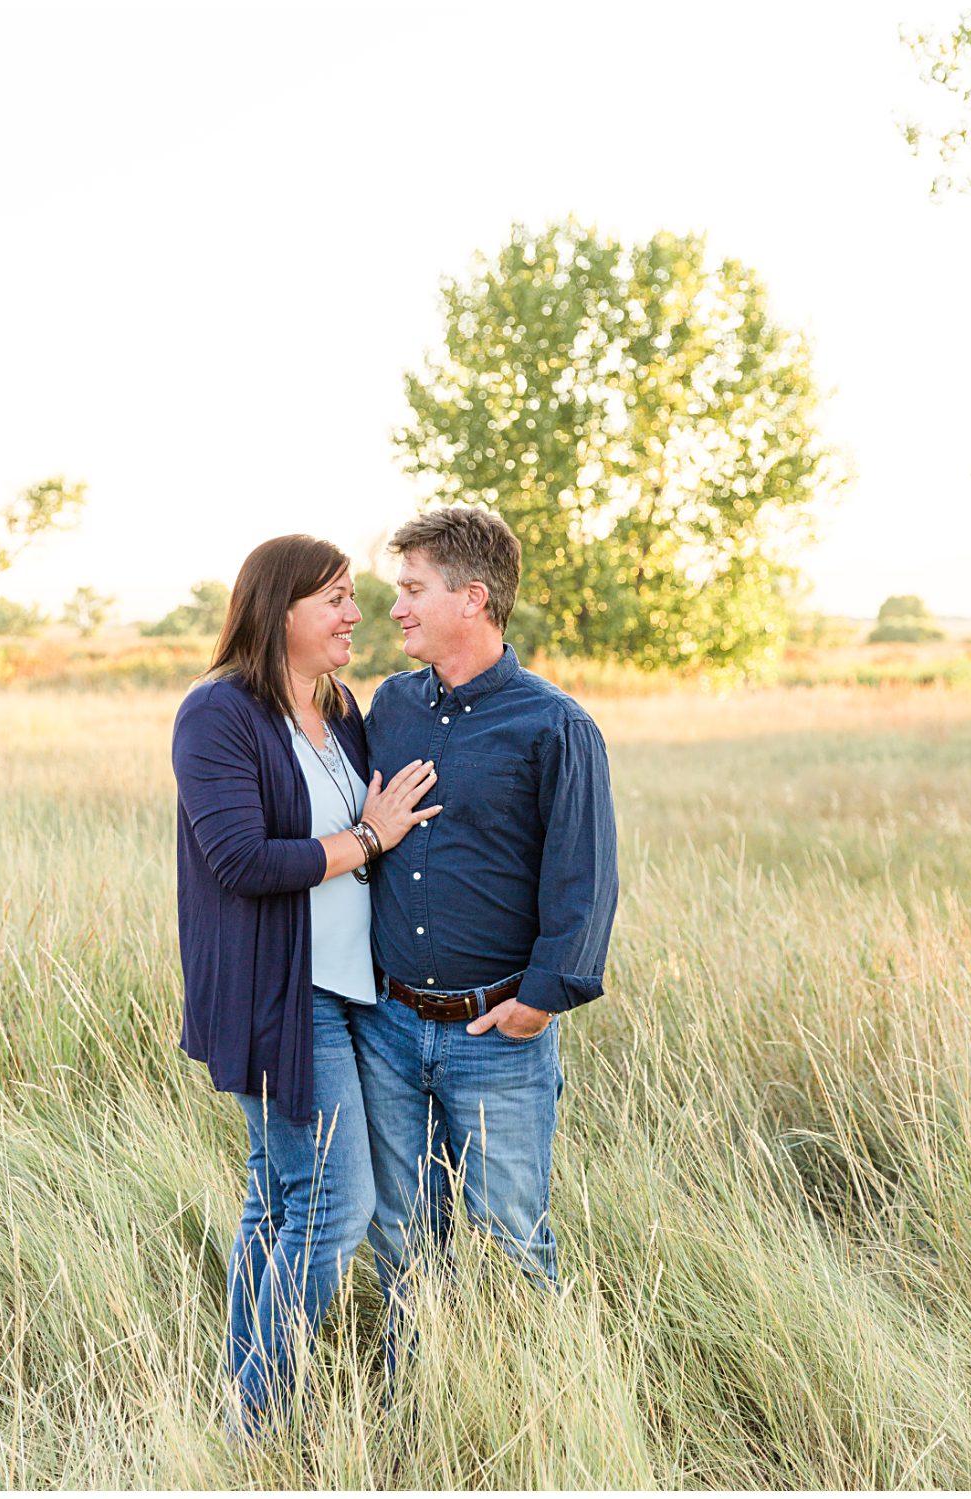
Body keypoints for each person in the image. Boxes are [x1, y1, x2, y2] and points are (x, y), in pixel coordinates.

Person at [172, 535, 440, 1434]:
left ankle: (239, 1395)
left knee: (278, 1194)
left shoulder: (339, 706)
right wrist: (368, 840)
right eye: (334, 597)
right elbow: (241, 858)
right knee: (334, 1206)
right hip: (281, 994)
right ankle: (257, 1412)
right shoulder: (220, 714)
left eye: (355, 596)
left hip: (349, 989)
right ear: (277, 608)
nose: (356, 615)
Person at [353, 507, 619, 1334]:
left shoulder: (555, 725)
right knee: (400, 1241)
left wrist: (539, 1000)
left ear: (472, 598)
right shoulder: (389, 705)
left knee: (512, 1243)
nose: (394, 606)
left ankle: (537, 1418)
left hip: (497, 1036)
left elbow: (585, 878)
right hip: (390, 1027)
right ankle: (411, 1415)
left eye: (412, 589)